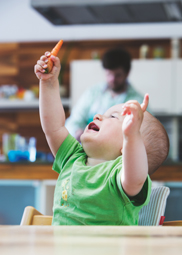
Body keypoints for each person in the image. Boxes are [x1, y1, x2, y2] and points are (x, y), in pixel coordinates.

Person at [34, 52, 169, 226]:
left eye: (113, 117)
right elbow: (54, 127)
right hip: (61, 252)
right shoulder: (73, 157)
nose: (98, 115)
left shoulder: (120, 174)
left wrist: (132, 136)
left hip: (107, 253)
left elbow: (136, 175)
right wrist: (48, 83)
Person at [65, 48, 149, 141]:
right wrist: (78, 133)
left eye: (118, 75)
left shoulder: (137, 101)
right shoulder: (92, 93)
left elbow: (147, 134)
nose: (112, 79)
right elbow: (73, 122)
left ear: (127, 73)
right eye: (109, 74)